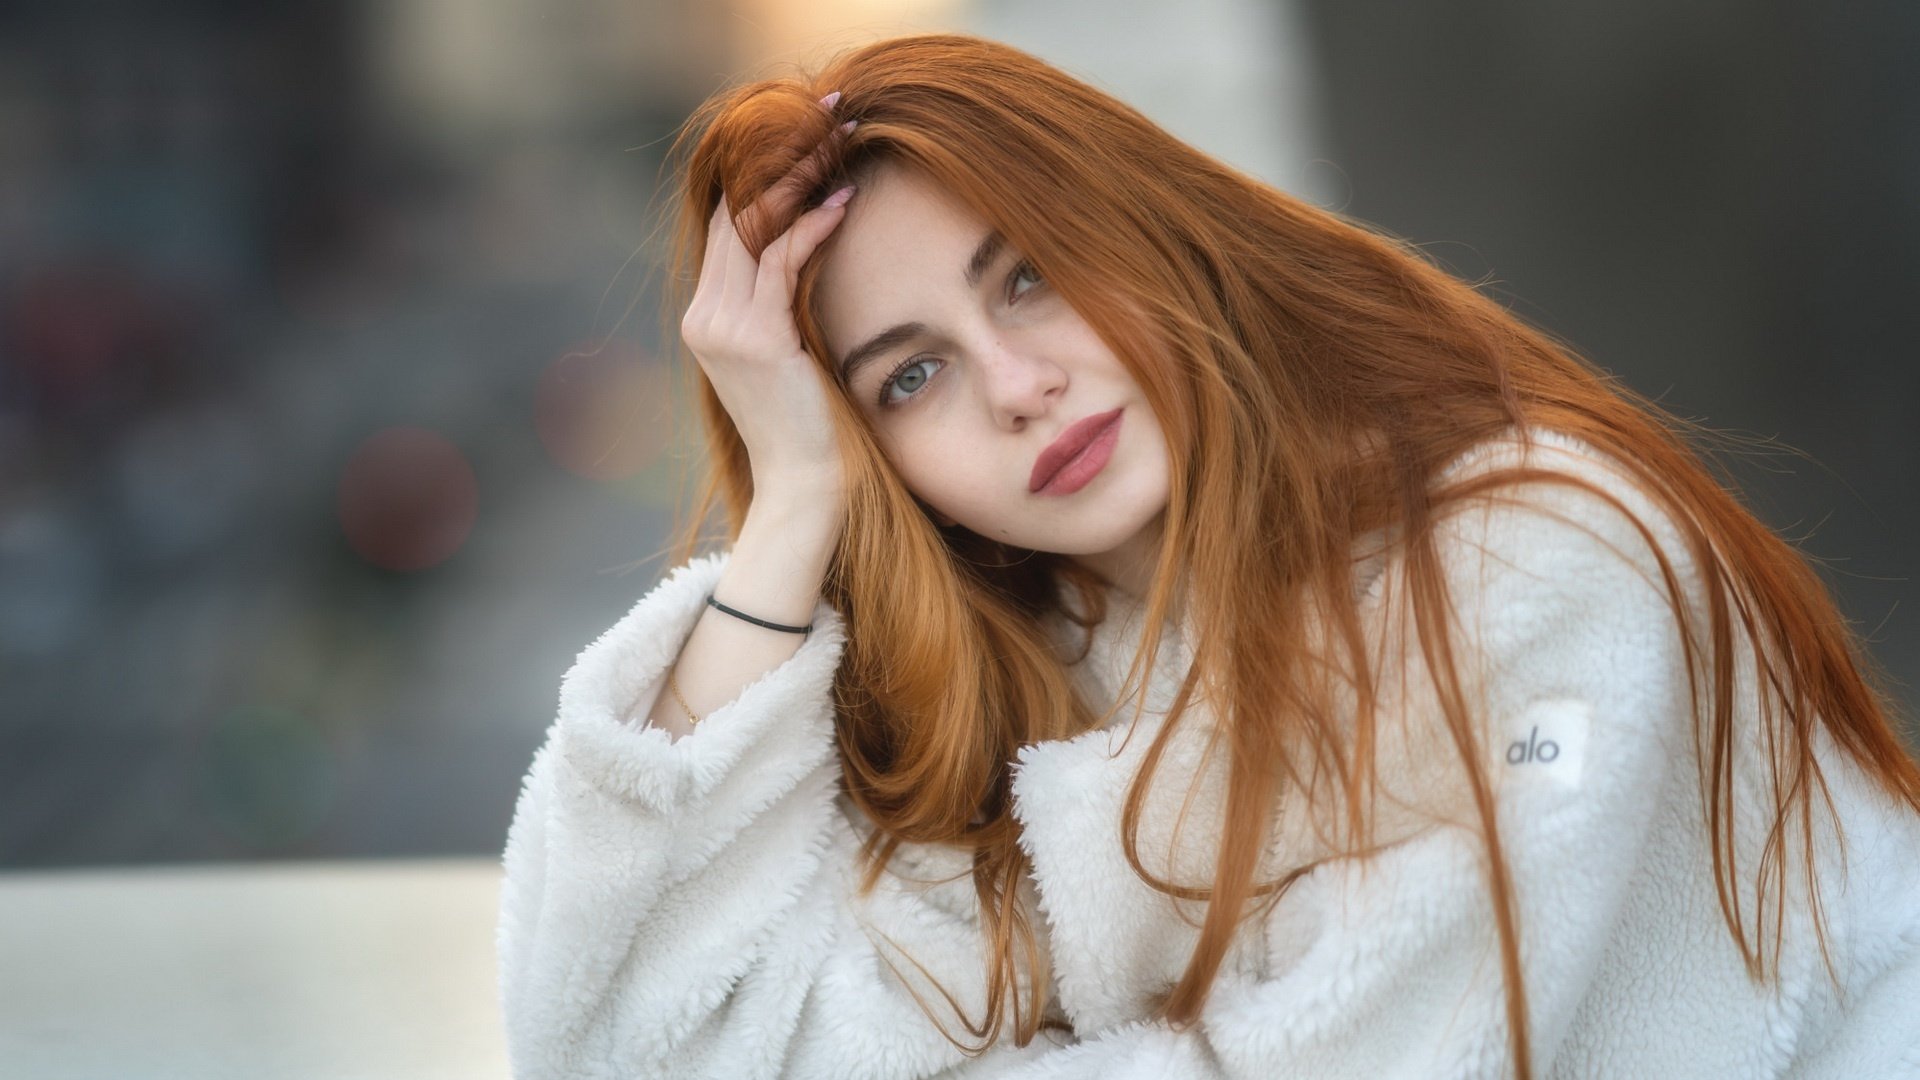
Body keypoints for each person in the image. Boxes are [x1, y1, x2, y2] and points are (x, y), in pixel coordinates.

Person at [495, 33, 1920, 1080]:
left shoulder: (1532, 553)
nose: (1014, 384)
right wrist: (796, 501)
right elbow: (629, 1043)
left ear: (1153, 244)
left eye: (1031, 277)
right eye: (909, 379)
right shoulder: (1028, 684)